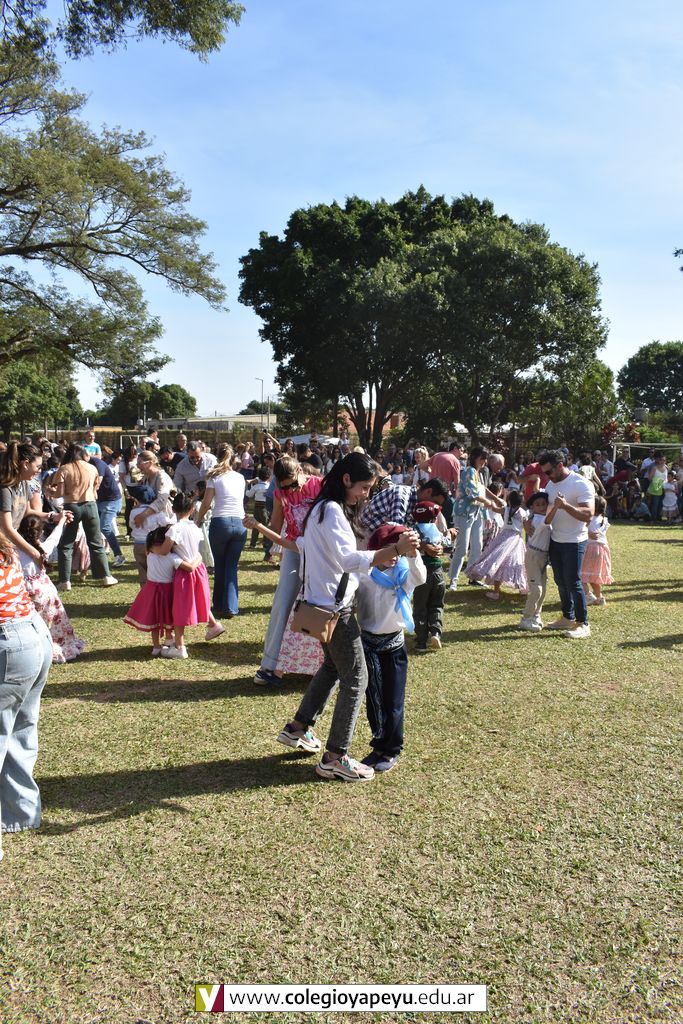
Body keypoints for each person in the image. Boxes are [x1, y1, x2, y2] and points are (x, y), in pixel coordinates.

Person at [275, 453, 420, 783]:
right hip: (334, 609)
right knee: (356, 678)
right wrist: (395, 549)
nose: (365, 494)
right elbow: (348, 560)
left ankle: (298, 728)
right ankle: (335, 757)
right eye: (364, 487)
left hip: (320, 604)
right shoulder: (332, 511)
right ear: (345, 480)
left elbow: (315, 550)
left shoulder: (322, 508)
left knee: (332, 667)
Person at [355, 523, 426, 773]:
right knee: (373, 698)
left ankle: (392, 748)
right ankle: (379, 745)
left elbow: (421, 576)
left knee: (393, 699)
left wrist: (413, 552)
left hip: (393, 647)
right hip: (368, 645)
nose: (394, 556)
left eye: (398, 549)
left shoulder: (404, 574)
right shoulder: (364, 576)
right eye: (389, 550)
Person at [0, 535, 53, 860]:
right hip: (32, 635)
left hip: (10, 643)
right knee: (20, 728)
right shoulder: (4, 543)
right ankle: (21, 812)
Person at [252, 456, 324, 686]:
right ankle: (270, 663)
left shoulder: (320, 485)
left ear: (300, 471)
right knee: (283, 601)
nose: (291, 490)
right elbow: (276, 525)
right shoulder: (279, 493)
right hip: (294, 549)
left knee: (319, 603)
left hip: (320, 551)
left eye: (293, 484)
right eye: (284, 487)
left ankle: (321, 665)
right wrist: (263, 530)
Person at [156, 493, 225, 659]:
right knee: (200, 598)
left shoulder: (174, 529)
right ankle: (213, 625)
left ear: (173, 509)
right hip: (198, 568)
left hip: (184, 571)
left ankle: (180, 647)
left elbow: (164, 551)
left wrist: (153, 549)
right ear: (192, 509)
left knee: (179, 608)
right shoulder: (195, 527)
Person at [44, 443, 118, 591]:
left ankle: (65, 580)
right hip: (90, 506)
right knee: (96, 542)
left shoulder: (64, 469)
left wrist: (49, 491)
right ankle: (106, 576)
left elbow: (59, 493)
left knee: (66, 544)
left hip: (71, 506)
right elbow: (96, 488)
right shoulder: (92, 468)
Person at [540, 450, 595, 639]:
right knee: (560, 580)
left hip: (575, 541)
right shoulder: (550, 485)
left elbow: (588, 514)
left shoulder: (581, 483)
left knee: (573, 581)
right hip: (556, 539)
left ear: (560, 466)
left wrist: (565, 506)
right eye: (544, 472)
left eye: (549, 472)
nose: (547, 476)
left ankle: (583, 623)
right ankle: (567, 616)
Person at [17, 515, 85, 663]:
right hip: (44, 591)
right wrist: (61, 522)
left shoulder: (14, 551)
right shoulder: (42, 548)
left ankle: (32, 651)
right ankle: (55, 646)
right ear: (41, 532)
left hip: (23, 591)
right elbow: (54, 538)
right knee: (52, 621)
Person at [123, 526, 194, 656]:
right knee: (168, 616)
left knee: (154, 618)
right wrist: (198, 559)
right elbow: (189, 568)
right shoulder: (173, 557)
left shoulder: (149, 552)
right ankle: (168, 639)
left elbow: (149, 546)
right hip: (167, 591)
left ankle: (156, 647)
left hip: (150, 589)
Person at [195, 444, 247, 619]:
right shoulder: (240, 477)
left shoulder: (214, 477)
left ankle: (218, 603)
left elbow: (206, 503)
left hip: (220, 522)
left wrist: (198, 519)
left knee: (220, 564)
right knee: (231, 565)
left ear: (217, 457)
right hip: (240, 522)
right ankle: (230, 606)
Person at [447, 447, 504, 592]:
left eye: (485, 459)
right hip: (464, 513)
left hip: (476, 513)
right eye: (482, 458)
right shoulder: (469, 471)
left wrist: (486, 515)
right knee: (462, 547)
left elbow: (481, 494)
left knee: (477, 546)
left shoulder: (478, 473)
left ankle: (473, 577)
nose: (484, 462)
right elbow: (472, 494)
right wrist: (490, 503)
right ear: (474, 458)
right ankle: (453, 579)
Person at [0, 442, 68, 564]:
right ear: (26, 464)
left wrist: (54, 516)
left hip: (10, 544)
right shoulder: (5, 489)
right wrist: (34, 552)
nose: (39, 471)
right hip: (3, 546)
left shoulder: (24, 484)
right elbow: (7, 529)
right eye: (38, 467)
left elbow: (28, 512)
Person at [465, 491, 528, 600]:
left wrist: (491, 502)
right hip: (516, 539)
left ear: (509, 501)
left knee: (498, 562)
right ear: (521, 501)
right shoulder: (523, 513)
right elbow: (527, 528)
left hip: (503, 537)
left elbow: (494, 509)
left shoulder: (506, 509)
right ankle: (523, 589)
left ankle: (496, 592)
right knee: (517, 563)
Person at [410, 500, 449, 653]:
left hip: (421, 572)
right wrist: (451, 534)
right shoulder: (436, 530)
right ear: (433, 518)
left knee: (420, 606)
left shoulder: (414, 530)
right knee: (437, 604)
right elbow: (447, 542)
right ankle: (435, 632)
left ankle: (421, 641)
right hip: (438, 571)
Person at [359, 476, 449, 534]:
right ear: (428, 491)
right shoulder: (401, 495)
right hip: (364, 536)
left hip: (378, 538)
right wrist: (424, 545)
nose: (434, 507)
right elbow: (397, 531)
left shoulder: (418, 505)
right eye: (435, 503)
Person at [518, 491, 550, 632]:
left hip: (543, 556)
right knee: (536, 589)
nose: (542, 507)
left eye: (544, 504)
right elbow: (547, 521)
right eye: (538, 505)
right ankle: (526, 618)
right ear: (532, 507)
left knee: (543, 589)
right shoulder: (538, 519)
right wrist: (557, 506)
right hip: (533, 555)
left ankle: (536, 615)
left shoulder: (537, 517)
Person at [90, 453, 126, 568]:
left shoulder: (97, 463)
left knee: (104, 527)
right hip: (100, 500)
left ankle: (119, 555)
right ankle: (95, 555)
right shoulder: (86, 464)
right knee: (95, 526)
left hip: (111, 500)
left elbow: (98, 481)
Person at [580, 496, 615, 606]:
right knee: (593, 577)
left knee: (580, 575)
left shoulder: (588, 519)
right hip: (602, 550)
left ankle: (588, 596)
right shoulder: (604, 520)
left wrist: (588, 533)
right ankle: (600, 597)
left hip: (589, 549)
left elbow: (581, 530)